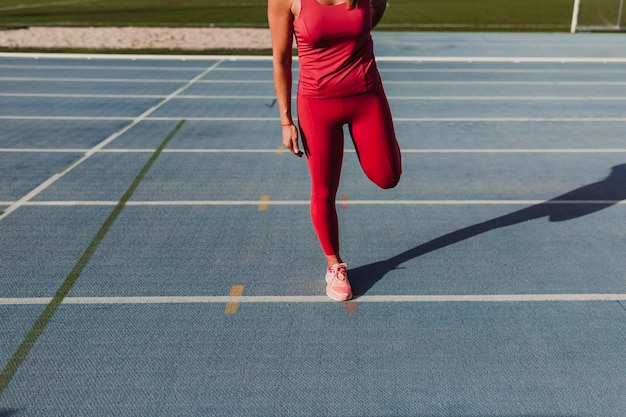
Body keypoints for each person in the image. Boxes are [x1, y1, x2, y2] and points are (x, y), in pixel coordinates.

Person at [268, 0, 402, 301]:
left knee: (388, 176)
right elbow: (281, 60)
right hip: (317, 103)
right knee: (324, 189)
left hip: (366, 95)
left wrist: (357, 35)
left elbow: (377, 9)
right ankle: (334, 265)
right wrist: (286, 121)